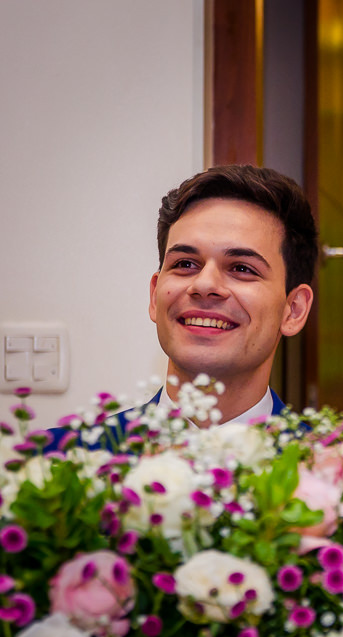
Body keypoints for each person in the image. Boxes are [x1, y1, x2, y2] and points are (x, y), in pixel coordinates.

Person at [46, 164, 317, 450]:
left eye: (241, 268)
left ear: (294, 310)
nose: (203, 285)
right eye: (185, 264)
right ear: (154, 296)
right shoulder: (58, 461)